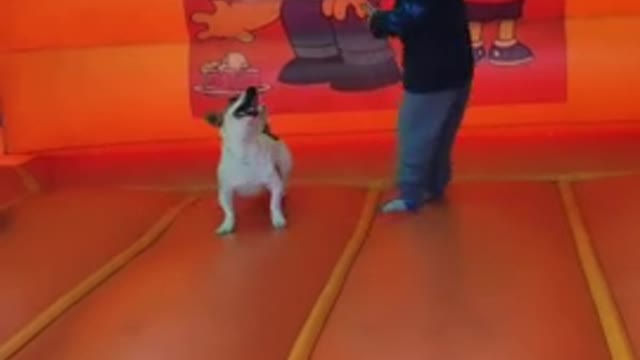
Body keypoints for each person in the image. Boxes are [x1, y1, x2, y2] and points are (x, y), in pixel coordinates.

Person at [362, 0, 475, 213]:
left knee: (417, 132)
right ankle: (433, 183)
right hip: (456, 67)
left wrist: (377, 20)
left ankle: (411, 193)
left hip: (431, 73)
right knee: (440, 133)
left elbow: (405, 19)